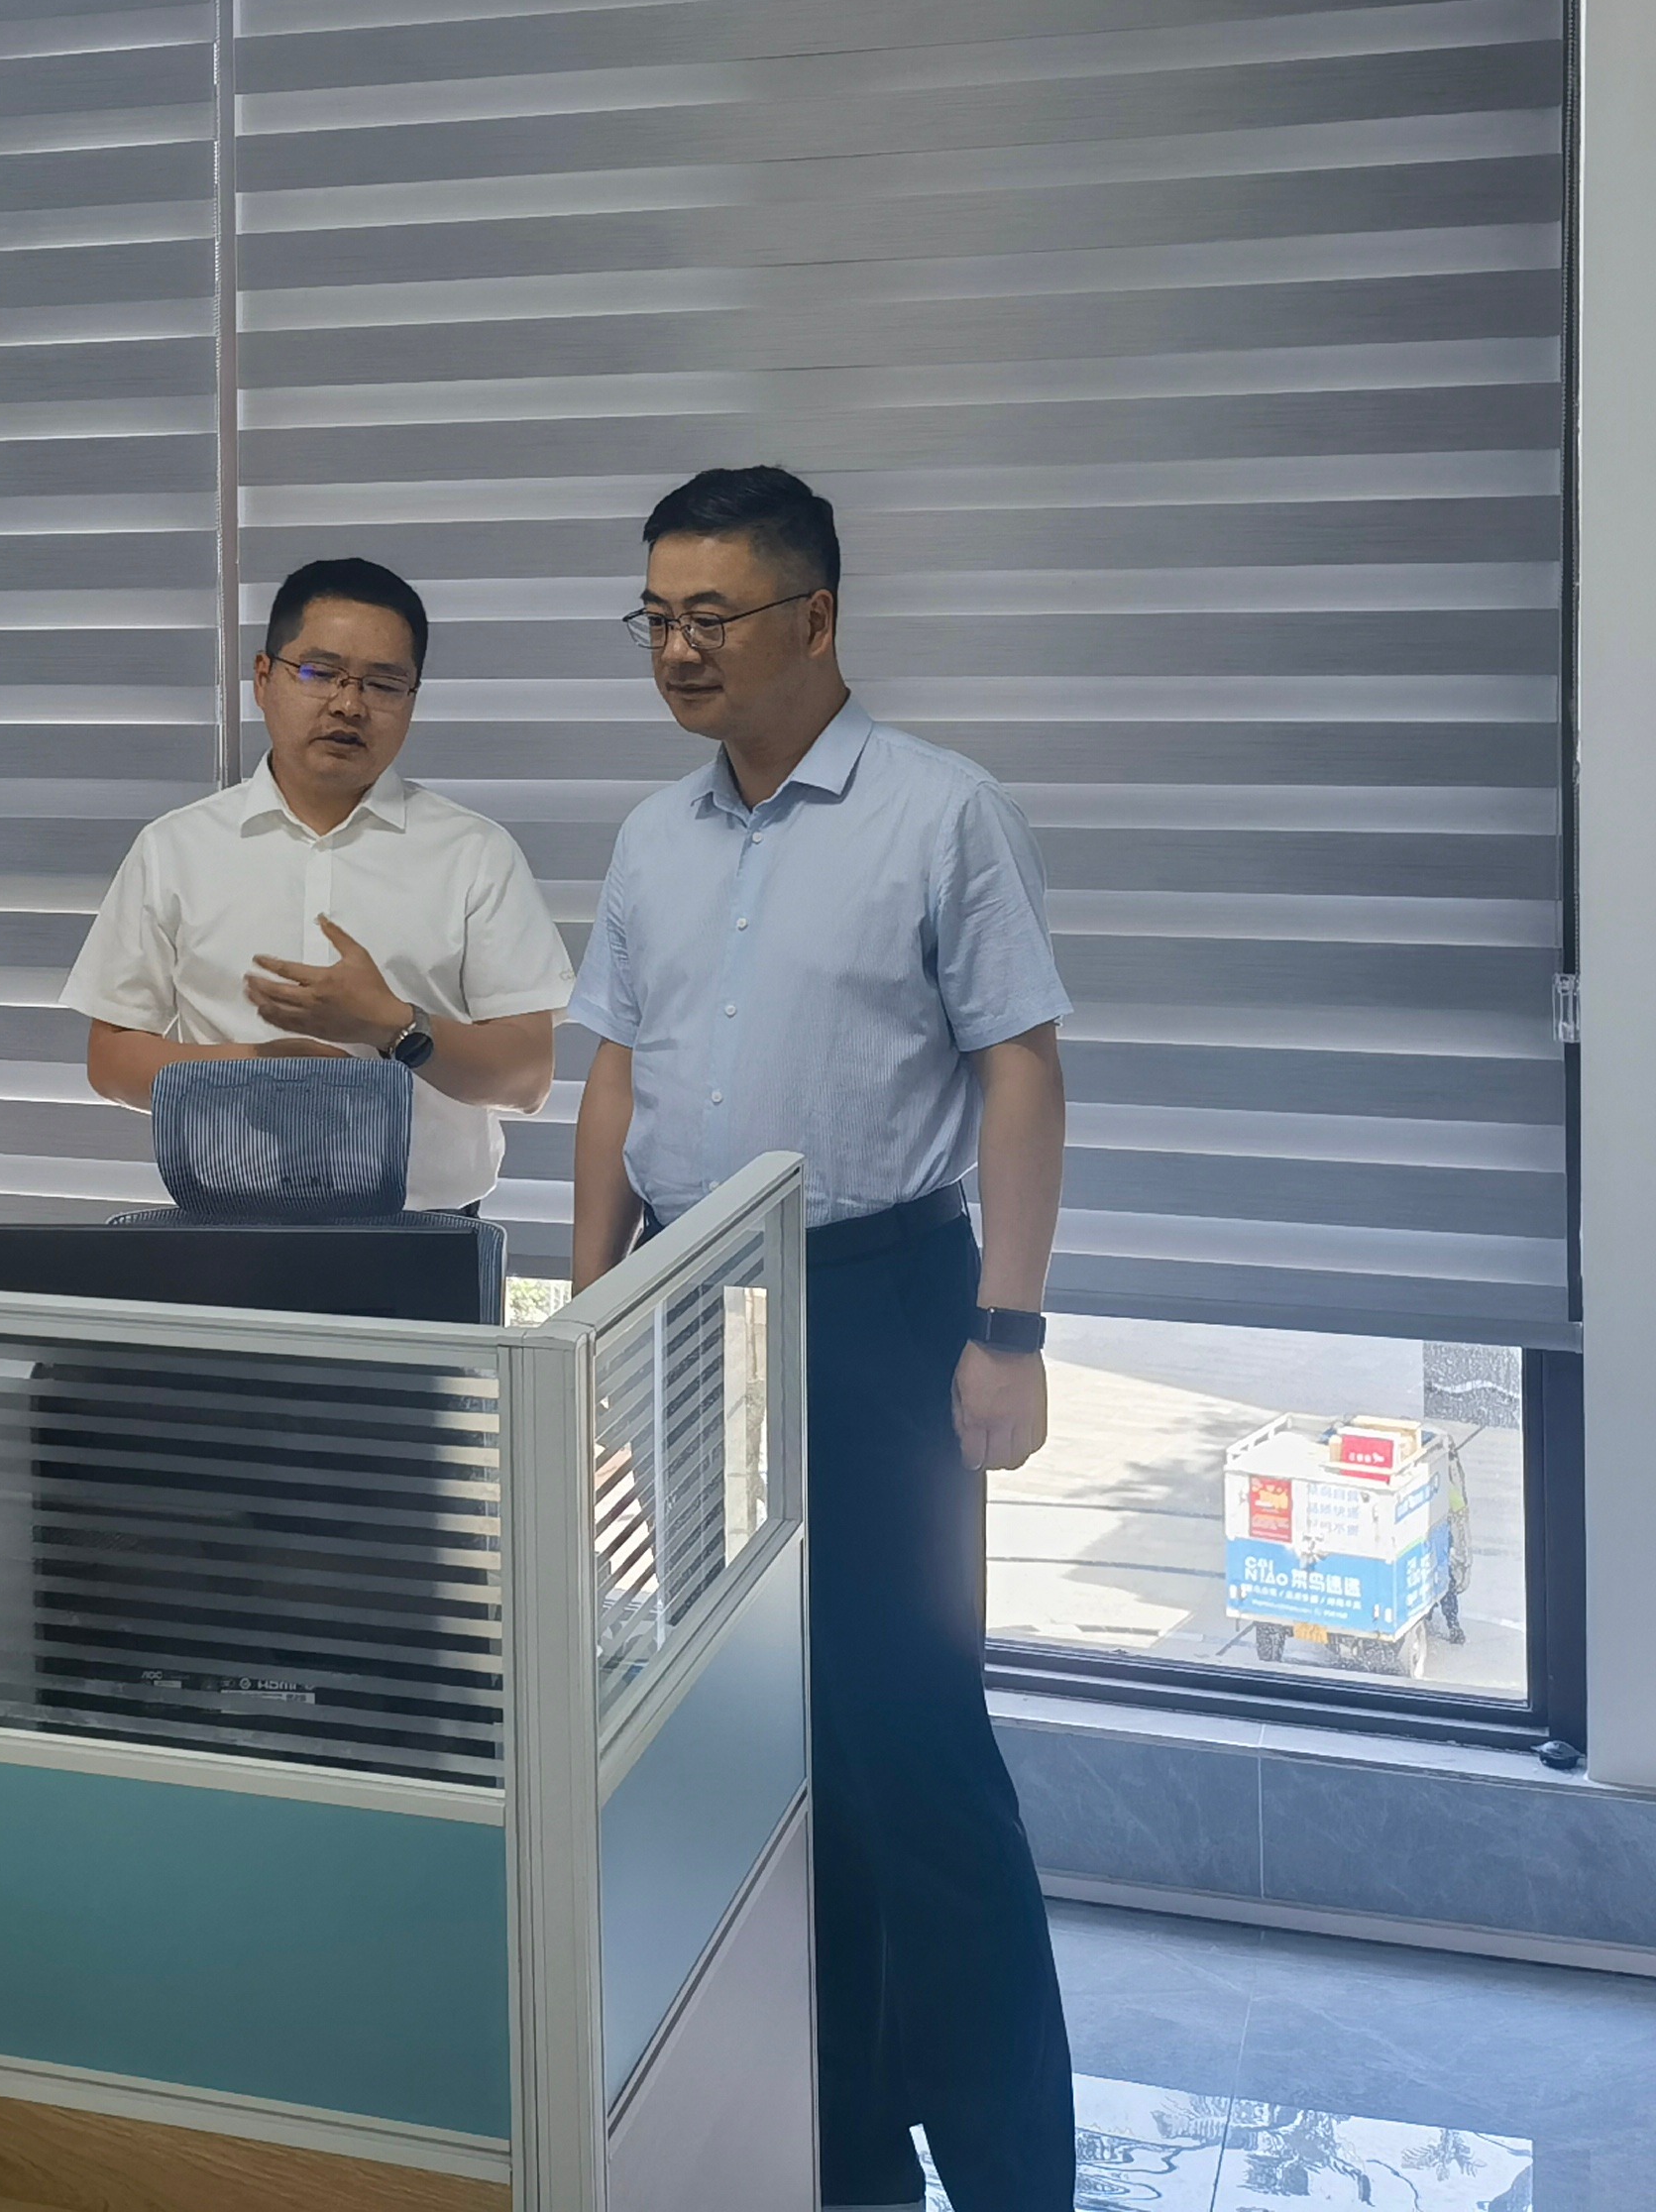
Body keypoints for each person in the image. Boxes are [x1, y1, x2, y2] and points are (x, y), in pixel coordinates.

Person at [561, 465, 1074, 2212]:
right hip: (689, 1311)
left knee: (915, 1756)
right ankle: (841, 2162)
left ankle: (1012, 2170)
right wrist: (590, 1313)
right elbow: (615, 1078)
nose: (676, 649)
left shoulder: (940, 812)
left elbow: (1020, 1068)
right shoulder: (653, 836)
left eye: (711, 615)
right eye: (655, 617)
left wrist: (1009, 1326)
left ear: (818, 617)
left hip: (878, 1310)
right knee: (767, 1762)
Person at [62, 558, 571, 1208]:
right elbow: (111, 1061)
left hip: (423, 1232)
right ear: (263, 678)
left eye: (384, 684)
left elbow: (527, 1077)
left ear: (412, 700)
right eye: (319, 672)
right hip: (226, 1226)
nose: (349, 704)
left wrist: (397, 1027)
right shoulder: (175, 848)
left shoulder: (475, 853)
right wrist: (252, 1069)